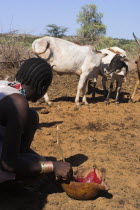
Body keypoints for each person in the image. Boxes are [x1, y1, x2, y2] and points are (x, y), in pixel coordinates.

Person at [0, 58, 73, 183]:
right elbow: (8, 164)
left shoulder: (4, 85)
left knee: (32, 116)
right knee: (22, 170)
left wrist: (42, 161)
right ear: (43, 87)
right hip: (6, 164)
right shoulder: (18, 103)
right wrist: (53, 166)